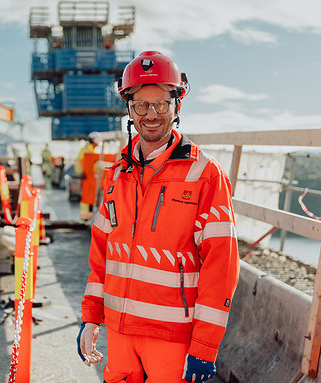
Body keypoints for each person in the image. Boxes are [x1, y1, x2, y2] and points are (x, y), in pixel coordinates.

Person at [76, 51, 240, 383]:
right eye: (141, 105)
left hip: (172, 340)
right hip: (120, 338)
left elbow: (220, 269)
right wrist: (91, 317)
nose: (151, 114)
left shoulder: (205, 175)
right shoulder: (115, 174)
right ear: (128, 109)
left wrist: (204, 348)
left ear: (177, 106)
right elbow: (101, 256)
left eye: (161, 104)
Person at [75, 132, 100, 220]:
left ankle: (88, 216)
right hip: (86, 177)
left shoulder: (90, 149)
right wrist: (80, 172)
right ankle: (85, 217)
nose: (99, 142)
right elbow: (78, 162)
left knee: (89, 197)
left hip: (90, 177)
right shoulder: (87, 150)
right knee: (87, 197)